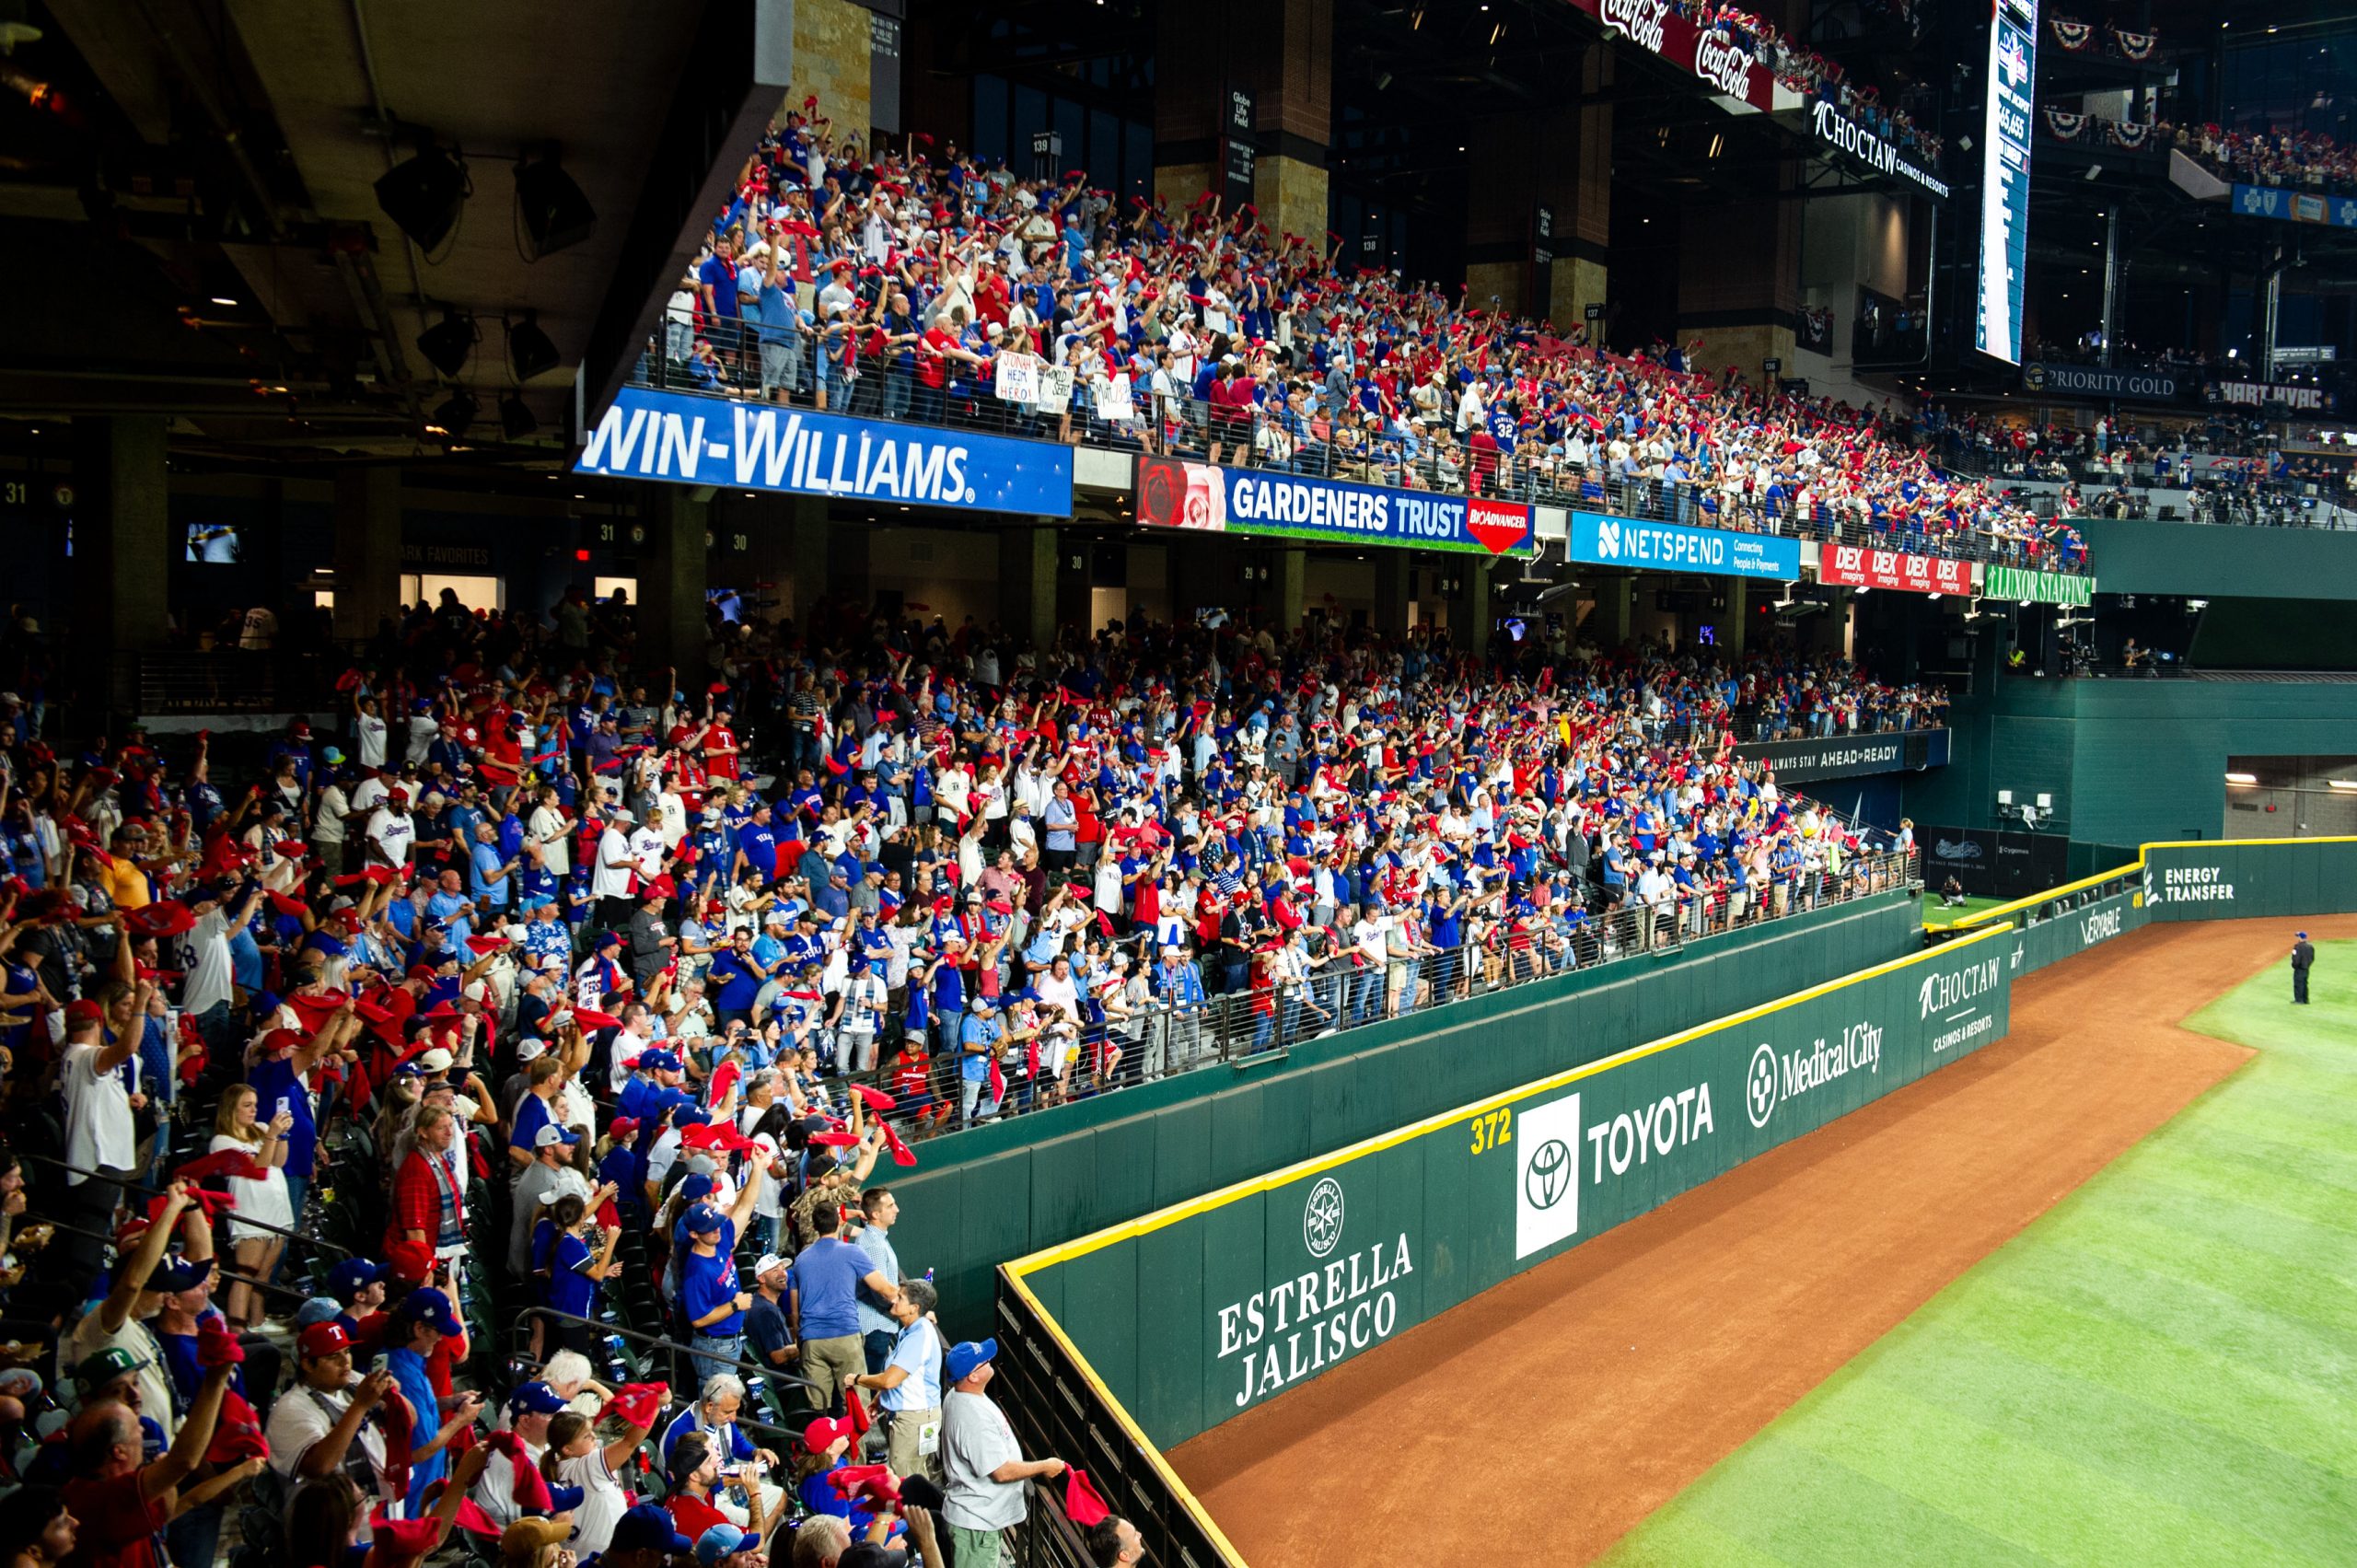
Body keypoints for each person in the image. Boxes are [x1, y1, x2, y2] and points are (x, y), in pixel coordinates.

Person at [937, 1339, 1063, 1568]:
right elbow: (1001, 1472)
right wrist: (1044, 1466)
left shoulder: (958, 1396)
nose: (989, 1361)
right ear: (972, 1377)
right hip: (976, 1528)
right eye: (983, 1361)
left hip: (976, 1521)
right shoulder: (973, 1417)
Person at [789, 1198, 900, 1413]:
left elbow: (794, 1311)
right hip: (845, 1336)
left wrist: (799, 1339)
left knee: (819, 1408)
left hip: (812, 1341)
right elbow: (884, 1289)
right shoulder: (853, 1252)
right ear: (840, 1222)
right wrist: (911, 1300)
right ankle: (856, 1447)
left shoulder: (801, 1260)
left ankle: (825, 1446)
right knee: (856, 1405)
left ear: (814, 1227)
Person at [845, 1277, 942, 1485]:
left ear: (914, 1308)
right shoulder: (912, 1329)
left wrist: (858, 1379)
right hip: (914, 1416)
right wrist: (879, 1400)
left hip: (914, 1419)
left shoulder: (918, 1336)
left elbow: (890, 1380)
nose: (894, 1300)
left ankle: (917, 1518)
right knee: (914, 1476)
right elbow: (901, 1378)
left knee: (906, 1481)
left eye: (900, 1298)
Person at [2293, 930, 2315, 1004]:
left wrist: (2295, 966)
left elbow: (2296, 960)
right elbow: (2312, 958)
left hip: (2299, 969)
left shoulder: (2297, 947)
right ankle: (2306, 1000)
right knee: (2305, 984)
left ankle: (2299, 1000)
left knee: (2298, 984)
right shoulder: (2310, 946)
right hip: (2306, 969)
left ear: (2300, 938)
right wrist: (2307, 965)